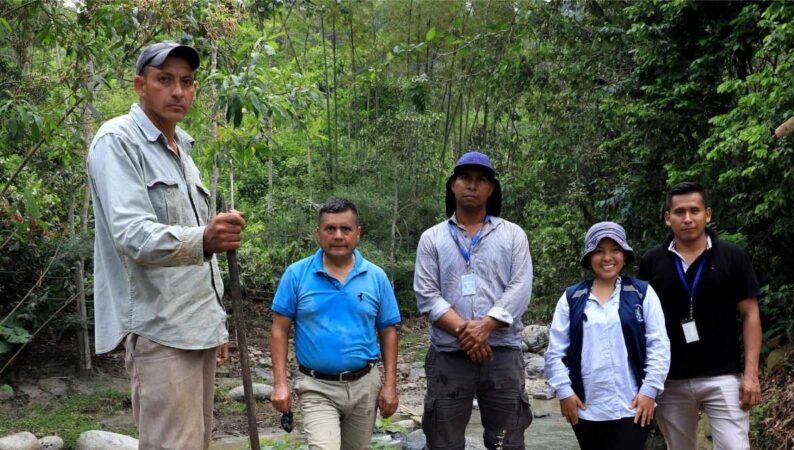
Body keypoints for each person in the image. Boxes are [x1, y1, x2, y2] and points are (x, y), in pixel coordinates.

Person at [87, 42, 245, 449]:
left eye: (187, 82)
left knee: (199, 442)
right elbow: (132, 233)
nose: (178, 91)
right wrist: (205, 238)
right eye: (165, 80)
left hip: (197, 327)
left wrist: (216, 322)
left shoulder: (182, 149)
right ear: (141, 85)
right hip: (160, 332)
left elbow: (199, 262)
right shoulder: (118, 140)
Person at [414, 151, 533, 450]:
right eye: (465, 178)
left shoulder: (513, 235)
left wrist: (487, 326)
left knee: (506, 443)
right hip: (449, 357)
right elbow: (427, 295)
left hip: (502, 355)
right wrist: (470, 334)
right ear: (453, 184)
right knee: (443, 443)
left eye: (481, 180)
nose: (472, 185)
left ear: (491, 189)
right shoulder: (432, 238)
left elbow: (520, 286)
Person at [638, 181, 762, 449]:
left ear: (707, 214)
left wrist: (751, 374)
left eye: (694, 211)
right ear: (667, 218)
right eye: (679, 212)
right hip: (670, 379)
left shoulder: (732, 256)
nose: (687, 218)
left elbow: (750, 314)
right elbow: (643, 323)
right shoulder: (652, 262)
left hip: (723, 376)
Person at [270, 199, 401, 450]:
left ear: (357, 233)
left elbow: (388, 331)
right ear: (318, 234)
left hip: (365, 385)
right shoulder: (297, 274)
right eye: (330, 229)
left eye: (345, 229)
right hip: (315, 386)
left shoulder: (376, 277)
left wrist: (390, 386)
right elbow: (279, 329)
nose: (338, 236)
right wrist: (280, 384)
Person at [544, 222, 671, 450]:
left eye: (615, 249)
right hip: (585, 407)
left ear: (624, 254)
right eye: (599, 251)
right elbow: (555, 351)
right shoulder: (572, 297)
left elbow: (659, 344)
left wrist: (649, 391)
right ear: (589, 257)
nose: (607, 257)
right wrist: (564, 392)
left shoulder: (642, 293)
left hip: (633, 404)